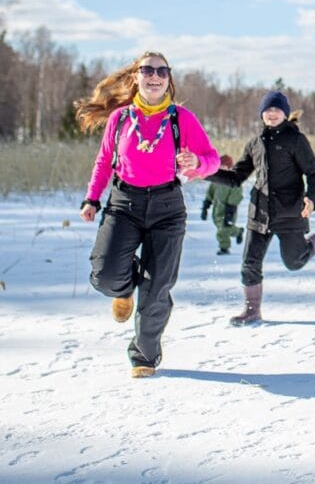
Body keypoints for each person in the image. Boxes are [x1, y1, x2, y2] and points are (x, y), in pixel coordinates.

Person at [77, 51, 219, 378]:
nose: (154, 75)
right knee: (105, 276)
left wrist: (197, 164)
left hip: (167, 208)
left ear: (168, 78)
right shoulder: (121, 119)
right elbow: (103, 161)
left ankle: (144, 354)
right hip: (124, 203)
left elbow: (211, 158)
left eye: (161, 70)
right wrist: (91, 198)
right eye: (147, 70)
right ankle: (124, 289)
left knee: (157, 288)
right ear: (136, 77)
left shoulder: (181, 118)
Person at [206, 91, 315, 326]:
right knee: (249, 264)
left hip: (289, 213)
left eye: (277, 110)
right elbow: (237, 177)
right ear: (261, 115)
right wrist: (205, 171)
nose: (272, 113)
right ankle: (251, 311)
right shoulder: (254, 143)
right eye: (267, 110)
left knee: (294, 262)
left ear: (285, 114)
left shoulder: (296, 140)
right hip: (259, 214)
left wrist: (312, 198)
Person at [201, 154, 245, 255]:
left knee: (223, 229)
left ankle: (224, 248)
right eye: (219, 166)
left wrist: (230, 211)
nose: (221, 168)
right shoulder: (217, 180)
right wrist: (205, 207)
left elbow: (236, 196)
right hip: (217, 209)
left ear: (229, 167)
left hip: (228, 210)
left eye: (223, 166)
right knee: (224, 227)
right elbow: (210, 193)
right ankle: (238, 232)